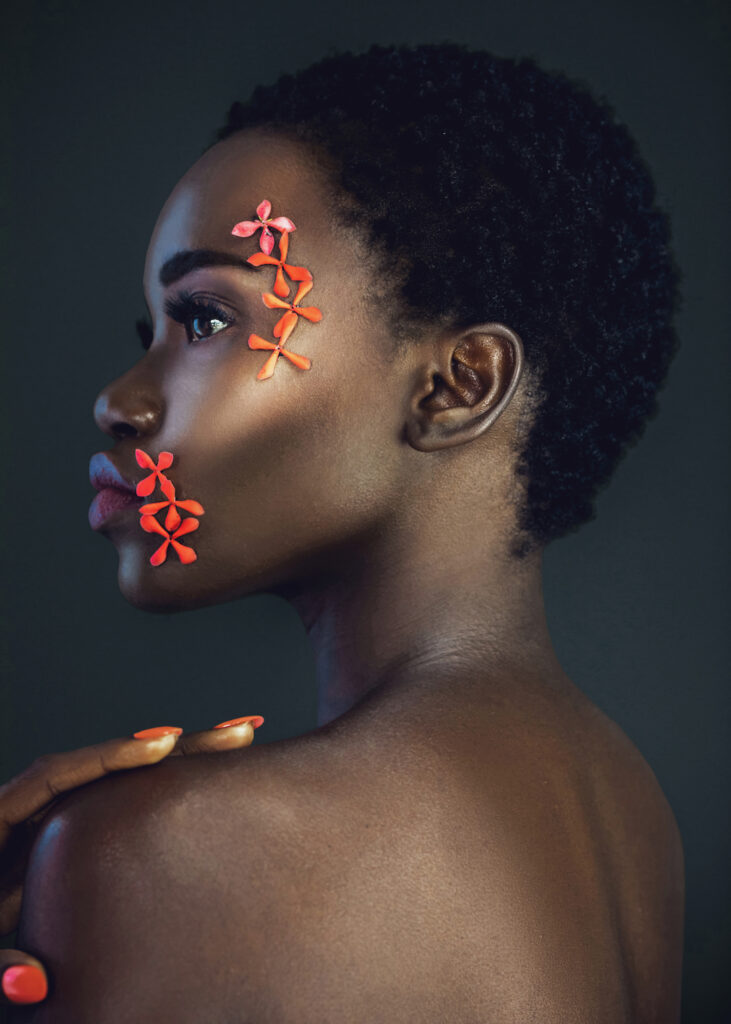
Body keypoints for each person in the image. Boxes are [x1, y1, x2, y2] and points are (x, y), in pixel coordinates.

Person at [1, 41, 685, 1022]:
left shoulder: (166, 850)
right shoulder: (627, 809)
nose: (119, 402)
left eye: (201, 319)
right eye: (146, 331)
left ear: (458, 386)